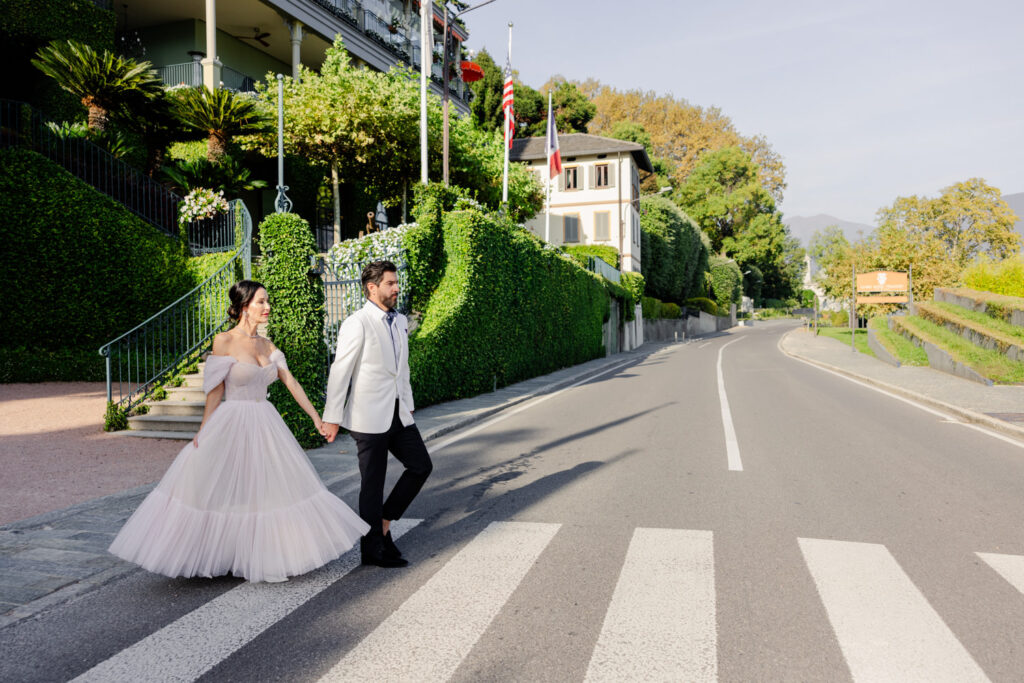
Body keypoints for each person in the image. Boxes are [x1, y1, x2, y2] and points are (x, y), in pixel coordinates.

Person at [108, 280, 369, 583]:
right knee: (224, 489)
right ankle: (220, 553)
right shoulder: (225, 341)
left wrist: (316, 418)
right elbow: (215, 391)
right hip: (232, 421)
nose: (267, 307)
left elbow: (291, 383)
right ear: (244, 306)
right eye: (261, 302)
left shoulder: (268, 345)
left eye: (267, 301)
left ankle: (257, 554)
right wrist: (204, 430)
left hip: (265, 423)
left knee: (264, 489)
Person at [322, 260, 432, 568]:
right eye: (390, 283)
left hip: (398, 412)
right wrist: (332, 417)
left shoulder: (399, 321)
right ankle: (372, 551)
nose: (397, 288)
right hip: (367, 416)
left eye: (396, 282)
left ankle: (383, 524)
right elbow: (340, 371)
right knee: (373, 484)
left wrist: (407, 400)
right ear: (372, 288)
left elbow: (402, 368)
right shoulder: (357, 323)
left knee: (421, 466)